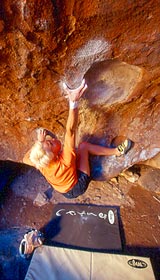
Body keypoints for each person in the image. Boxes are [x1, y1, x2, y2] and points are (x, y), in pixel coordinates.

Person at [23, 79, 131, 199]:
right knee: (83, 146)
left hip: (61, 189)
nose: (53, 140)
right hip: (76, 187)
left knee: (76, 151)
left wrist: (40, 143)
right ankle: (117, 152)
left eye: (49, 140)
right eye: (51, 144)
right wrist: (73, 101)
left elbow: (25, 159)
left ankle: (66, 168)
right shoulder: (66, 159)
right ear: (53, 155)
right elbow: (70, 130)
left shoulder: (41, 162)